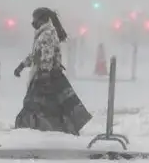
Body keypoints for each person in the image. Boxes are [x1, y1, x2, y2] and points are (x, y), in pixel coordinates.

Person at [13, 7, 92, 135]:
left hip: (48, 75)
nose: (33, 22)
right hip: (47, 74)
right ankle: (48, 127)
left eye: (35, 19)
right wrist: (22, 65)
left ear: (41, 19)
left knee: (36, 104)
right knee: (54, 105)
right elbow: (35, 55)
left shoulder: (48, 34)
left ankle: (32, 128)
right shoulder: (42, 33)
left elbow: (46, 55)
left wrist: (44, 74)